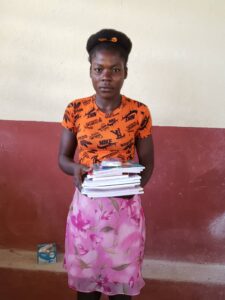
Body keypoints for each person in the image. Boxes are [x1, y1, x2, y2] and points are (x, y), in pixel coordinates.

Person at [58, 29, 154, 300]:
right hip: (86, 211)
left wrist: (132, 188)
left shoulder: (139, 112)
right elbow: (62, 158)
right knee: (86, 290)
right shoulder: (75, 110)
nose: (106, 77)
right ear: (90, 71)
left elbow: (147, 163)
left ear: (125, 72)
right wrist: (75, 168)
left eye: (115, 69)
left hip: (124, 213)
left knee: (121, 290)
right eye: (99, 69)